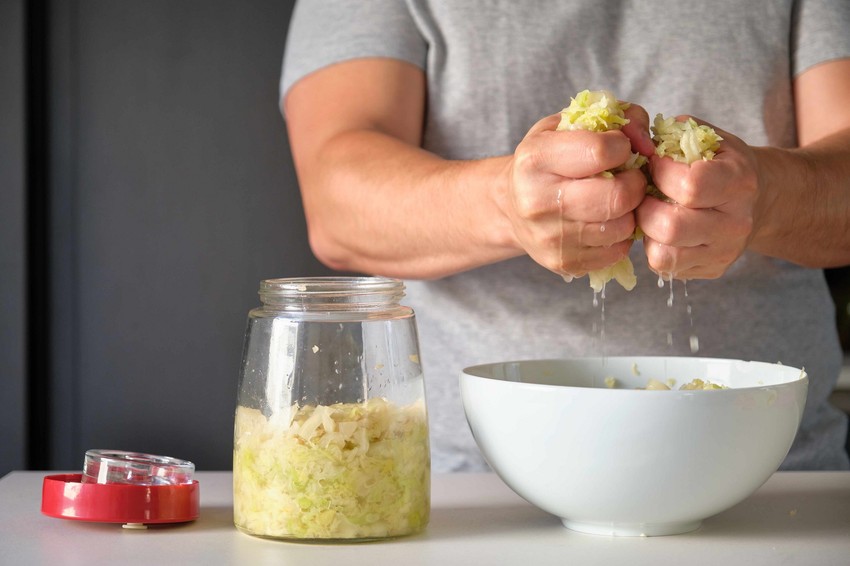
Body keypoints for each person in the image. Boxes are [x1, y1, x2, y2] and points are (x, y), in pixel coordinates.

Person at [280, 1, 850, 471]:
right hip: (468, 482)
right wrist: (506, 202)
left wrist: (766, 195)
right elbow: (336, 200)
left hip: (773, 470)